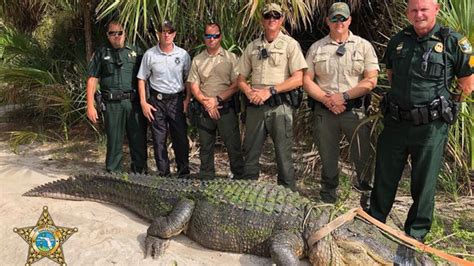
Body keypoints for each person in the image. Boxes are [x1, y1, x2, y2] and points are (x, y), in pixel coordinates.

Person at [369, 0, 472, 242]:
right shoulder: (398, 41)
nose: (419, 14)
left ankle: (414, 236)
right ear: (408, 12)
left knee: (423, 183)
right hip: (396, 123)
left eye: (424, 9)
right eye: (414, 10)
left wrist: (444, 106)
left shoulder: (453, 42)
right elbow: (391, 75)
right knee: (384, 176)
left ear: (436, 9)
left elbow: (467, 84)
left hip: (430, 128)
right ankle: (374, 224)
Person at [303, 2, 378, 207]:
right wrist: (328, 99)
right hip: (325, 110)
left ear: (349, 20)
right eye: (334, 18)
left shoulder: (363, 46)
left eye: (343, 18)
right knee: (327, 155)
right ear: (327, 21)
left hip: (354, 111)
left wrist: (343, 96)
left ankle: (367, 197)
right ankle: (328, 196)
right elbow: (307, 80)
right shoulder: (316, 48)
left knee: (362, 155)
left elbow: (371, 79)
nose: (339, 22)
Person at [236, 3, 307, 190]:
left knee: (283, 154)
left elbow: (299, 78)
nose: (272, 19)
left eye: (276, 16)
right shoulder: (252, 47)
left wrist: (271, 91)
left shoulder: (290, 45)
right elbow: (240, 78)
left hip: (279, 107)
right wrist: (249, 91)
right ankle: (248, 192)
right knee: (250, 152)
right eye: (268, 16)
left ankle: (287, 194)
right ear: (262, 19)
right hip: (256, 107)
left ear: (282, 19)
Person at [86, 21, 148, 173]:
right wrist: (90, 105)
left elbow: (145, 78)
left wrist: (145, 101)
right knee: (114, 141)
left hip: (133, 104)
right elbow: (92, 78)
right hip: (112, 104)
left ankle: (140, 174)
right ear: (108, 35)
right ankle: (114, 175)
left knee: (138, 140)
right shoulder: (101, 53)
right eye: (112, 33)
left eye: (119, 32)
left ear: (125, 33)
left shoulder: (136, 51)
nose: (117, 36)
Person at [187, 23, 244, 179]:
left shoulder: (231, 58)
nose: (212, 39)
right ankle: (207, 179)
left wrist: (217, 100)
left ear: (220, 36)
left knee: (233, 146)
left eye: (215, 35)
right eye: (208, 36)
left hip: (225, 108)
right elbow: (194, 86)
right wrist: (206, 102)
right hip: (204, 109)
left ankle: (239, 178)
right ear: (204, 38)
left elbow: (237, 84)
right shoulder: (197, 60)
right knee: (205, 147)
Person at [137, 20, 191, 177]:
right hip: (157, 102)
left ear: (174, 34)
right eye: (163, 31)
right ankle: (164, 175)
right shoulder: (150, 55)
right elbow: (142, 78)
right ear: (158, 34)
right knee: (159, 140)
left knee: (180, 138)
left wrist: (187, 100)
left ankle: (183, 174)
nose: (166, 34)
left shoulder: (182, 55)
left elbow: (188, 79)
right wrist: (143, 102)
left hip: (177, 101)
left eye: (170, 31)